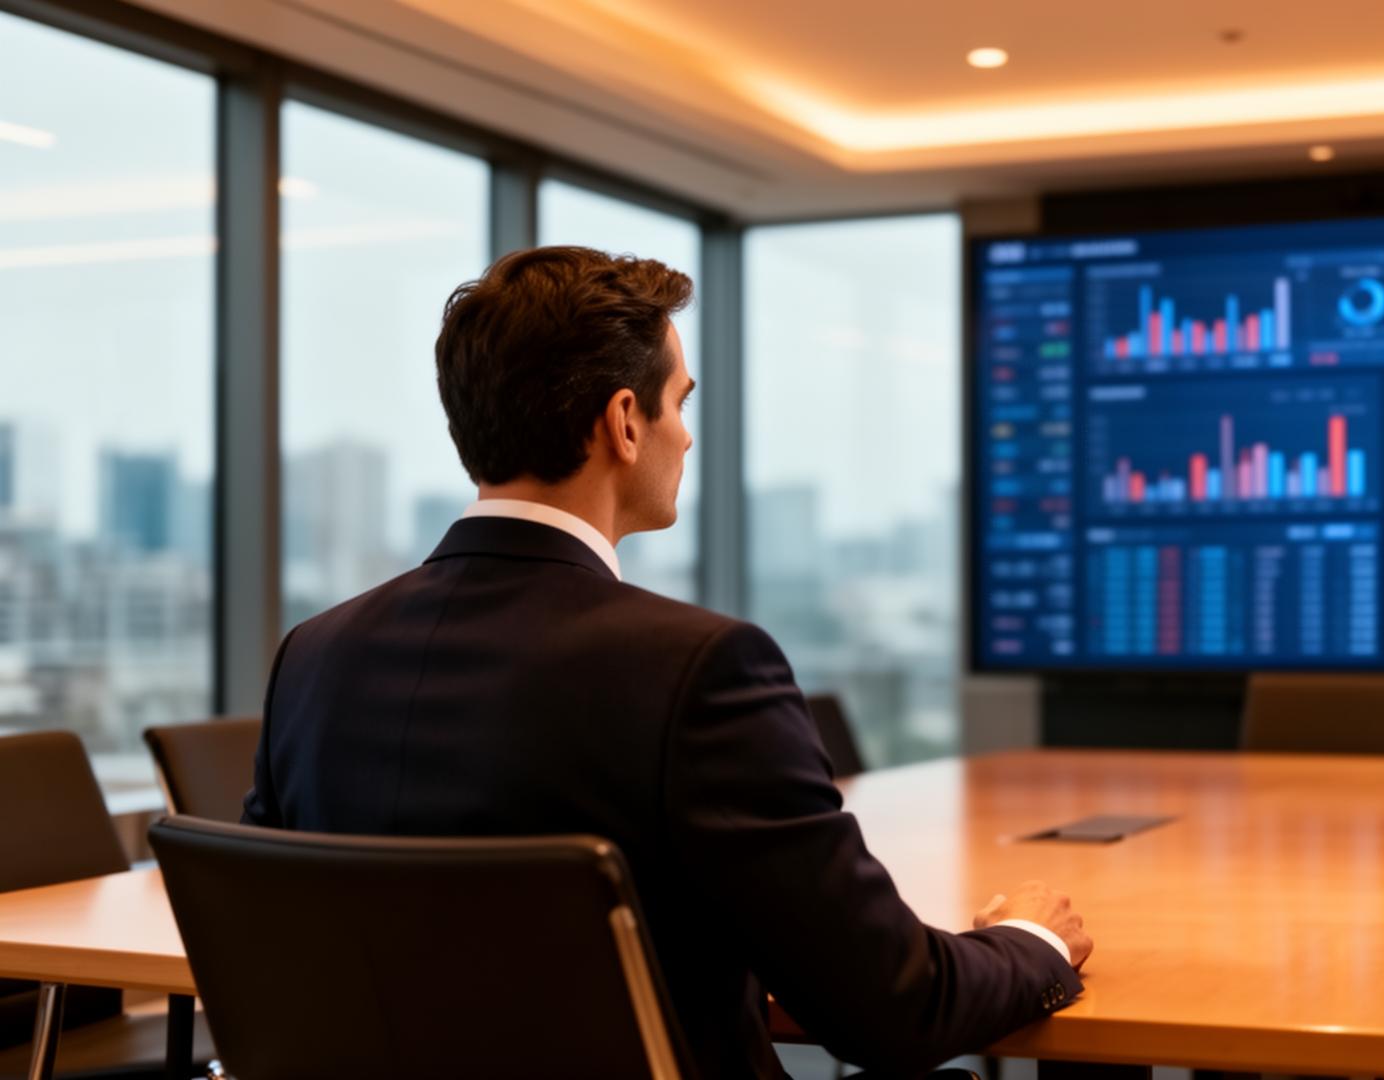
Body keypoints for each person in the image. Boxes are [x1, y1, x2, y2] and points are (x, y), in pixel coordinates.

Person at [242, 246, 1091, 1079]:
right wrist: (1031, 940)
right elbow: (893, 1008)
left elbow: (278, 951)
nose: (685, 437)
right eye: (679, 403)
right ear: (623, 421)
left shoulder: (313, 657)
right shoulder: (700, 668)